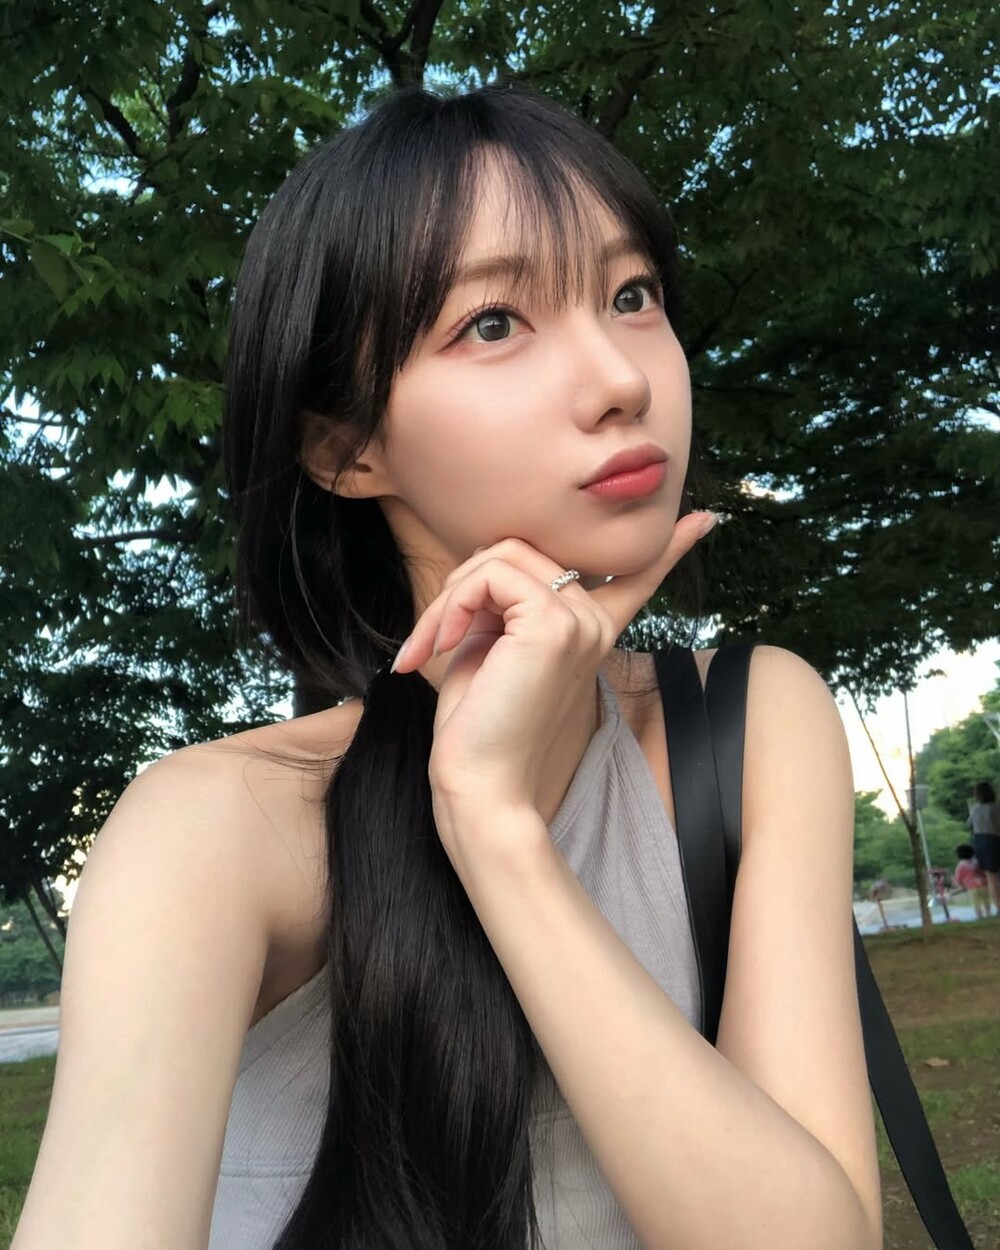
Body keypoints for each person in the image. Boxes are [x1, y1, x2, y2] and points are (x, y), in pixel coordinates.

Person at [12, 86, 883, 1250]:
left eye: (630, 295)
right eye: (494, 322)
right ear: (346, 448)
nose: (620, 380)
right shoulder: (213, 827)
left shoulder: (747, 716)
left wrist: (496, 830)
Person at [968, 781, 1000, 915]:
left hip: (980, 842)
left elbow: (970, 825)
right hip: (996, 839)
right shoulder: (996, 808)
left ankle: (998, 906)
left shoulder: (975, 809)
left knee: (991, 877)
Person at [952, 844, 991, 920]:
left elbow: (958, 877)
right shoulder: (977, 862)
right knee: (986, 900)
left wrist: (960, 885)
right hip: (984, 884)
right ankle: (988, 914)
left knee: (976, 903)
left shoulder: (961, 865)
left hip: (972, 887)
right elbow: (984, 872)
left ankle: (980, 917)